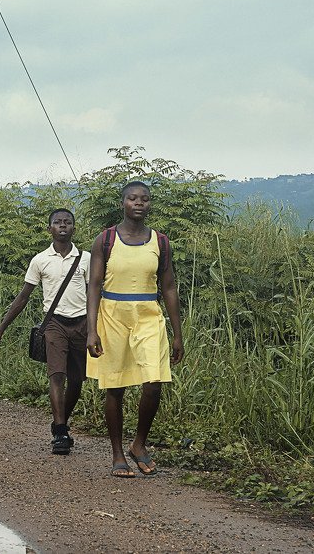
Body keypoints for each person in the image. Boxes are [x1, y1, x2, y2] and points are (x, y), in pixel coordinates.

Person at [86, 181, 184, 477]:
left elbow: (168, 287)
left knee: (153, 382)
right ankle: (118, 453)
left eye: (144, 199)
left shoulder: (160, 242)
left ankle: (138, 444)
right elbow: (93, 286)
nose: (139, 203)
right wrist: (92, 330)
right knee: (115, 387)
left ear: (149, 204)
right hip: (113, 315)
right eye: (132, 198)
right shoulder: (105, 240)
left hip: (148, 315)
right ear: (123, 204)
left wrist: (178, 334)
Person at [0, 208, 91, 455]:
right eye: (57, 222)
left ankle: (59, 423)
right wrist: (0, 330)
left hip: (82, 324)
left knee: (77, 381)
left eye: (67, 222)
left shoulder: (86, 258)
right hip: (53, 324)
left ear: (74, 228)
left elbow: (95, 294)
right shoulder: (40, 260)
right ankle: (62, 432)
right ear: (49, 229)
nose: (62, 226)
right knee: (57, 375)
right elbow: (23, 297)